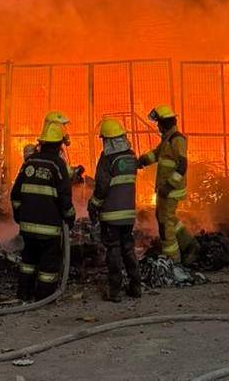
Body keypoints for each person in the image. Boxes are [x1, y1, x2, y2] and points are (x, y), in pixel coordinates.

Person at [10, 116, 76, 301]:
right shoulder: (58, 165)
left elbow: (15, 194)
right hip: (49, 229)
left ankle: (24, 294)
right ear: (58, 145)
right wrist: (70, 218)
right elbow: (64, 198)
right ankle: (43, 298)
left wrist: (19, 216)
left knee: (28, 262)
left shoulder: (29, 163)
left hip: (28, 228)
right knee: (48, 266)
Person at [88, 117, 141, 302]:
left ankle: (115, 291)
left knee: (114, 250)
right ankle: (136, 286)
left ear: (108, 140)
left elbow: (102, 186)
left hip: (111, 215)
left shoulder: (107, 159)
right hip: (129, 214)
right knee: (128, 249)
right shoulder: (131, 157)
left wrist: (93, 205)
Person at [137, 104, 198, 264]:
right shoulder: (168, 139)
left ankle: (173, 259)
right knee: (166, 217)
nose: (157, 126)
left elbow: (182, 165)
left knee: (165, 224)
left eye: (159, 123)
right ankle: (189, 244)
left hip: (171, 190)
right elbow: (157, 154)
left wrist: (169, 186)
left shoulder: (177, 139)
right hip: (165, 189)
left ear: (164, 123)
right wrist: (142, 160)